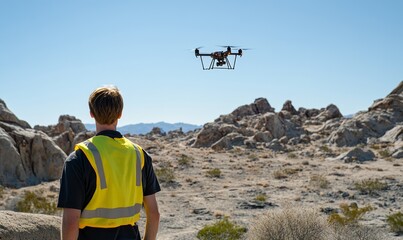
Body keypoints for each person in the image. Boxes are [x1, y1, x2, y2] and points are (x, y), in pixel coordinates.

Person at [58, 86, 161, 240]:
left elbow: (71, 222)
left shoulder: (79, 158)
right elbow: (154, 214)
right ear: (120, 114)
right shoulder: (140, 155)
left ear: (91, 114)